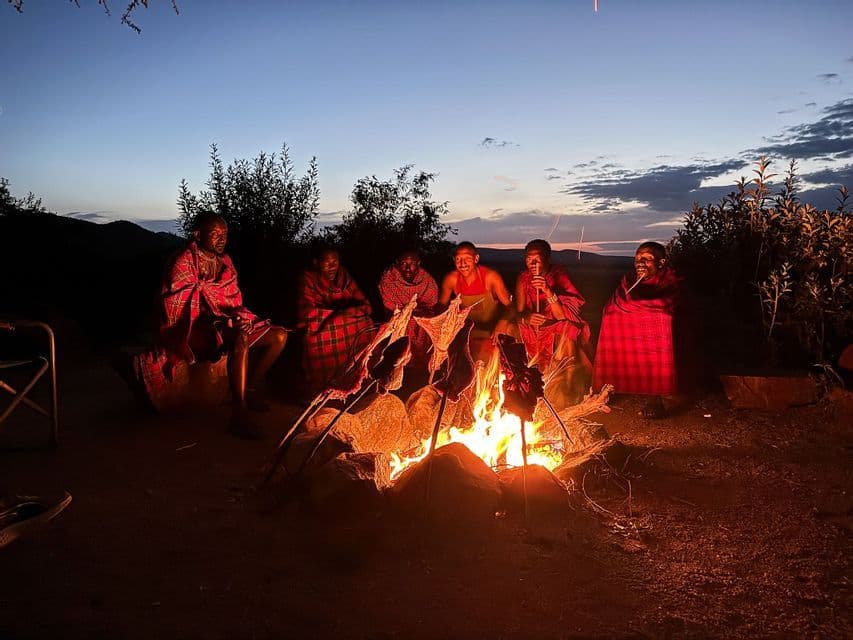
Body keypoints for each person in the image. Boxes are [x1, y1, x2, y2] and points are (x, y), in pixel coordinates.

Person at [134, 212, 288, 439]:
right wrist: (223, 322)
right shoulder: (182, 261)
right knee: (239, 338)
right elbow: (175, 308)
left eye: (224, 234)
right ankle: (239, 414)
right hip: (193, 330)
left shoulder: (225, 262)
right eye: (215, 234)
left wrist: (240, 319)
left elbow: (233, 301)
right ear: (197, 234)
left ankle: (250, 388)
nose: (221, 239)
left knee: (279, 336)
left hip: (227, 323)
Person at [592, 241, 685, 418]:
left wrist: (641, 309)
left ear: (661, 263)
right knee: (610, 316)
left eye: (647, 259)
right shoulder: (629, 280)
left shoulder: (671, 280)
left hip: (655, 331)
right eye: (637, 259)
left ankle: (654, 396)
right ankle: (607, 389)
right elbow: (614, 305)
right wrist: (636, 308)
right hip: (633, 324)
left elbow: (666, 306)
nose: (640, 263)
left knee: (659, 322)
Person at [515, 239, 591, 402]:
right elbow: (519, 313)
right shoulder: (523, 278)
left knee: (567, 332)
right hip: (532, 327)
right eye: (529, 259)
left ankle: (569, 387)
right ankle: (522, 384)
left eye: (537, 259)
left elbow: (562, 317)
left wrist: (547, 290)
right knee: (508, 330)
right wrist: (527, 318)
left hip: (554, 324)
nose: (532, 263)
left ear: (547, 259)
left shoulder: (559, 276)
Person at [297, 246, 374, 393]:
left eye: (335, 262)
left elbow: (364, 304)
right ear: (316, 263)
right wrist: (335, 314)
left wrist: (344, 313)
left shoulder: (344, 276)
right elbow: (306, 311)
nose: (332, 267)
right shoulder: (307, 278)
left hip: (345, 319)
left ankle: (359, 379)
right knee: (313, 337)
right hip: (321, 323)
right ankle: (321, 386)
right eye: (327, 262)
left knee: (367, 324)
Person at [438, 242, 513, 361]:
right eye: (458, 259)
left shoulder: (490, 277)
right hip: (467, 331)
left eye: (467, 259)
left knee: (512, 330)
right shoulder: (451, 279)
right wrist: (446, 321)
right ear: (454, 260)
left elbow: (511, 305)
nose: (463, 264)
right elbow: (441, 307)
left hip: (492, 329)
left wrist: (503, 322)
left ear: (476, 258)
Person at [378, 248, 439, 364]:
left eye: (411, 264)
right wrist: (405, 314)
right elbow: (389, 305)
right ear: (397, 264)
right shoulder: (389, 278)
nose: (407, 268)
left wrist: (417, 314)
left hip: (420, 318)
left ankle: (421, 362)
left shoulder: (426, 279)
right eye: (403, 264)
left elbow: (431, 304)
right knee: (406, 323)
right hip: (396, 317)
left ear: (418, 264)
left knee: (423, 323)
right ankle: (400, 362)